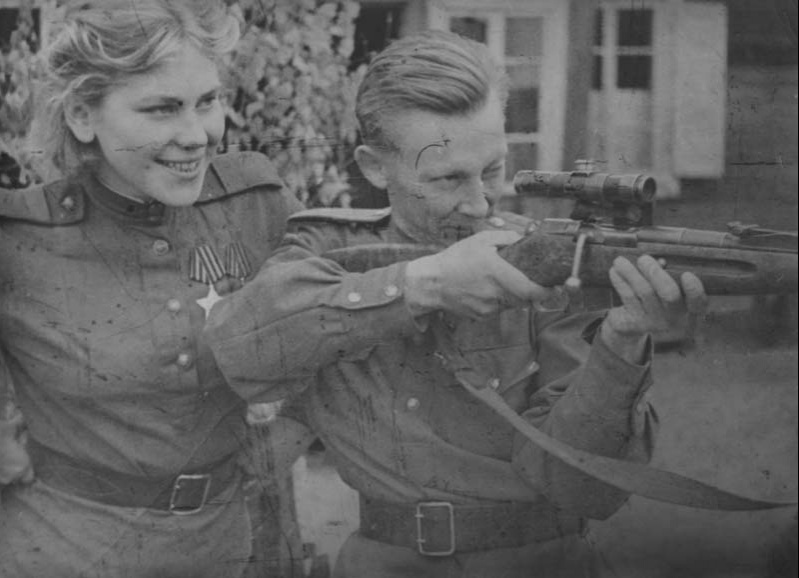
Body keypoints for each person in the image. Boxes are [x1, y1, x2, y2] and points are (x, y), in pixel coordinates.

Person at [205, 30, 707, 578]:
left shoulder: (546, 259)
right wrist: (427, 284)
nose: (480, 203)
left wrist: (622, 342)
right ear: (374, 167)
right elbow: (240, 345)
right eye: (448, 179)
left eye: (492, 169)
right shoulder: (329, 249)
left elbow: (583, 487)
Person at [0, 1, 304, 576]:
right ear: (83, 116)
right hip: (65, 552)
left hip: (229, 545)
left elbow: (338, 322)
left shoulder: (256, 207)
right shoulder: (19, 237)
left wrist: (290, 433)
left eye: (207, 102)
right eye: (162, 109)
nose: (197, 135)